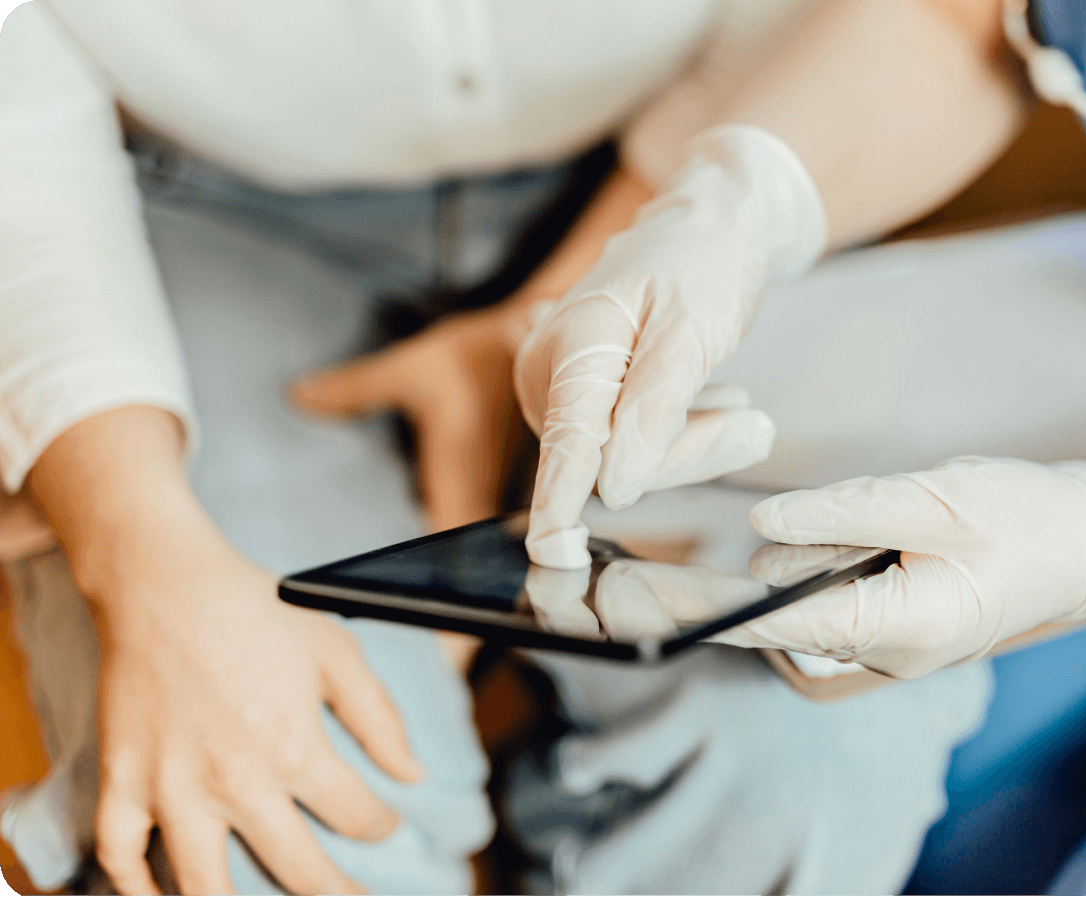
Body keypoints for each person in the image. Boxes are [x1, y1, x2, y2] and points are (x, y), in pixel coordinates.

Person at [0, 0, 1013, 894]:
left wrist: (617, 274)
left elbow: (951, 16)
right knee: (272, 822)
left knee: (821, 754)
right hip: (165, 204)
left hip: (683, 171)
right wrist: (136, 540)